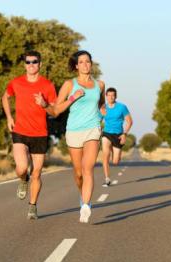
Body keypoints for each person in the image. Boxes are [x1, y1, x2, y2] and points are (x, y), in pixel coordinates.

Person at [35, 50, 105, 223]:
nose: (85, 64)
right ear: (76, 66)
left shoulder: (100, 85)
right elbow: (57, 110)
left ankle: (86, 206)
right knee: (79, 173)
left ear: (91, 63)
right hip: (74, 131)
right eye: (81, 62)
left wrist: (103, 111)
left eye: (88, 61)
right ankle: (82, 196)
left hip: (93, 129)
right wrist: (70, 98)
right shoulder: (69, 84)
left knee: (88, 169)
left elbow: (101, 103)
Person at [1, 51, 57, 220]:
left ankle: (32, 206)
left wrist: (44, 104)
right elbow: (5, 97)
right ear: (24, 64)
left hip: (40, 134)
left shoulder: (48, 85)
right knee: (22, 168)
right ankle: (23, 180)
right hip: (20, 131)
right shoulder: (16, 83)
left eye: (34, 61)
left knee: (37, 173)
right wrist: (9, 117)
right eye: (28, 62)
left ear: (40, 64)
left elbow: (54, 111)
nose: (31, 64)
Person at [100, 87, 133, 187]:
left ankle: (113, 150)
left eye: (113, 95)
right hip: (106, 133)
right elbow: (98, 121)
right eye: (109, 95)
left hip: (118, 135)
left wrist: (125, 134)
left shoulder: (122, 107)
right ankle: (107, 179)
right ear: (106, 96)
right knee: (105, 156)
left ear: (116, 96)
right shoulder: (103, 108)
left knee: (115, 161)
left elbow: (130, 121)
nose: (111, 97)